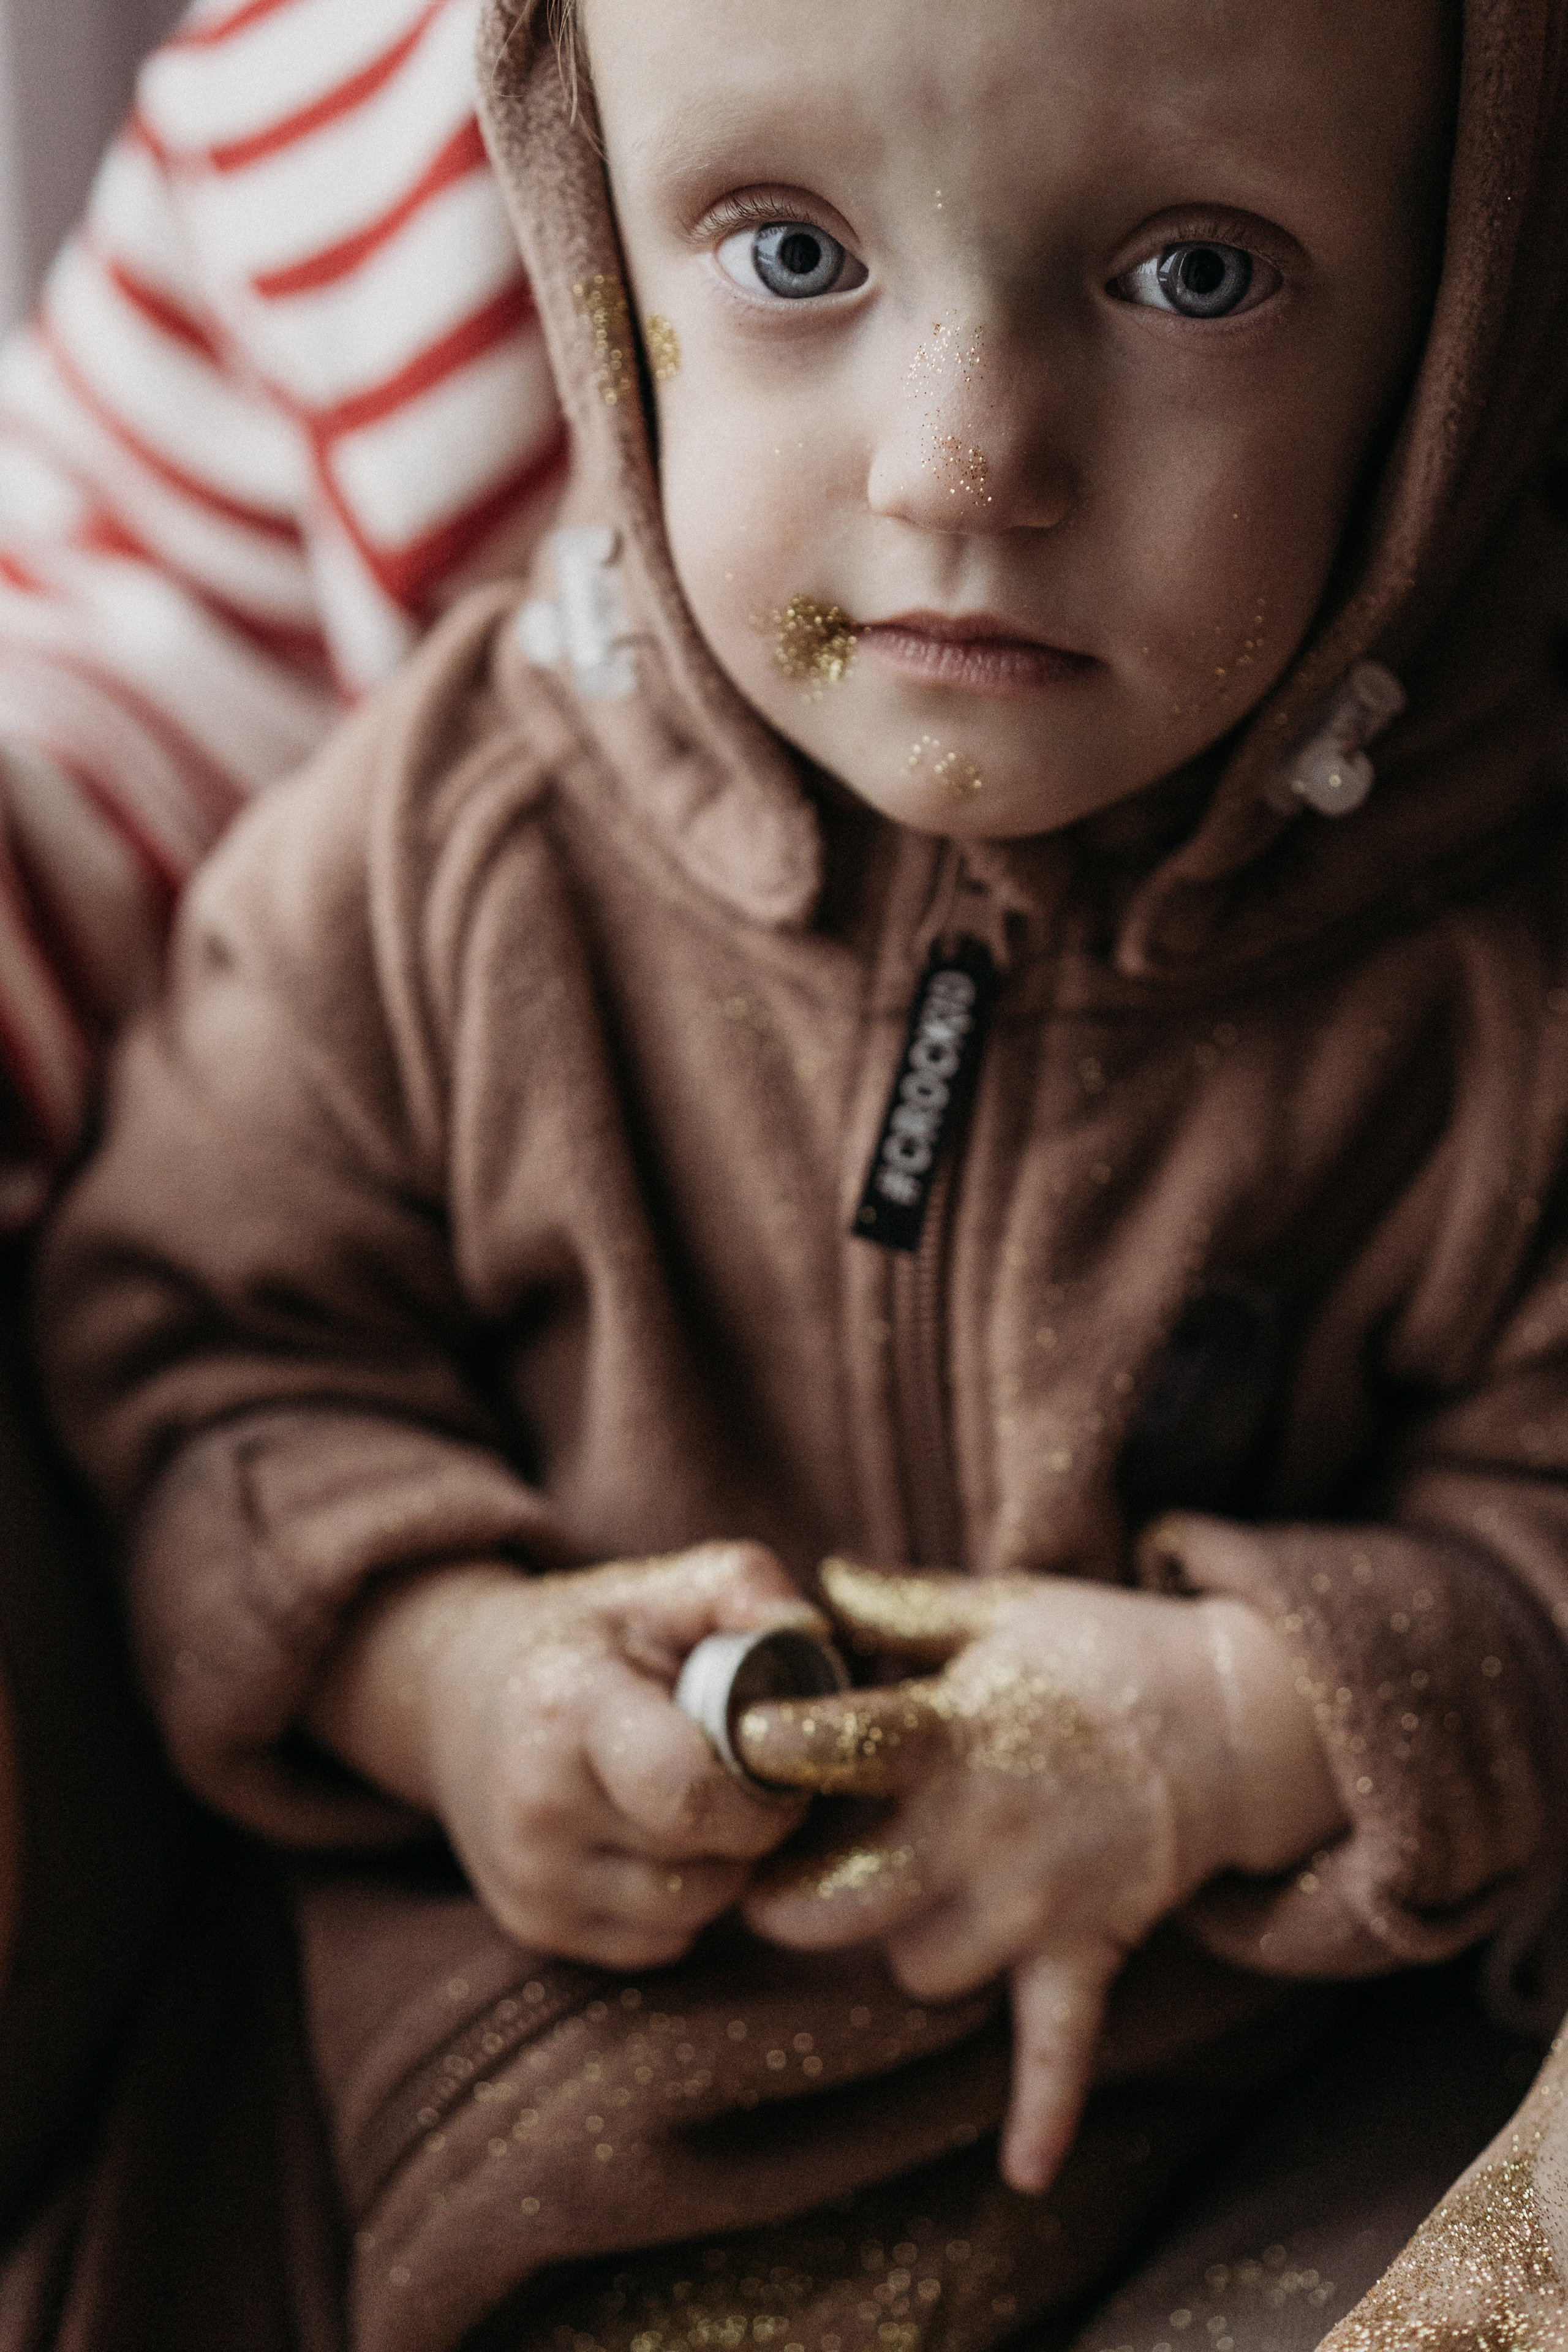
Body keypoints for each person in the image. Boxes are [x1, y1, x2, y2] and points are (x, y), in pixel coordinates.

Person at [21, 0, 1568, 2345]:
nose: (962, 464)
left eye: (1195, 276)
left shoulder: (1496, 980)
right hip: (429, 2144)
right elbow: (190, 1353)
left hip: (1214, 2177)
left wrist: (1238, 1726)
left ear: (1462, 317)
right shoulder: (452, 857)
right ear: (588, 241)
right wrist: (443, 1676)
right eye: (788, 252)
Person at [0, 0, 562, 2240]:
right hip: (420, 1635)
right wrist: (418, 1652)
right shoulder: (336, 119)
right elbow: (108, 663)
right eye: (786, 257)